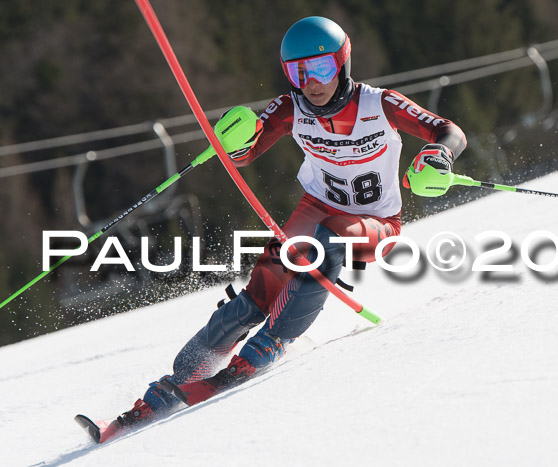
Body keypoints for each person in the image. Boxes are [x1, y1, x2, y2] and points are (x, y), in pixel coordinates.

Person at [118, 16, 466, 425]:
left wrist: (440, 155)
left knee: (329, 239)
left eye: (320, 68)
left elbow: (447, 130)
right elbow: (246, 153)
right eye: (297, 72)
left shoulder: (379, 103)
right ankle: (172, 384)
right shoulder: (291, 107)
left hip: (374, 223)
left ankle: (271, 343)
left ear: (342, 63)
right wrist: (233, 139)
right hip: (317, 207)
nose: (311, 82)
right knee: (261, 288)